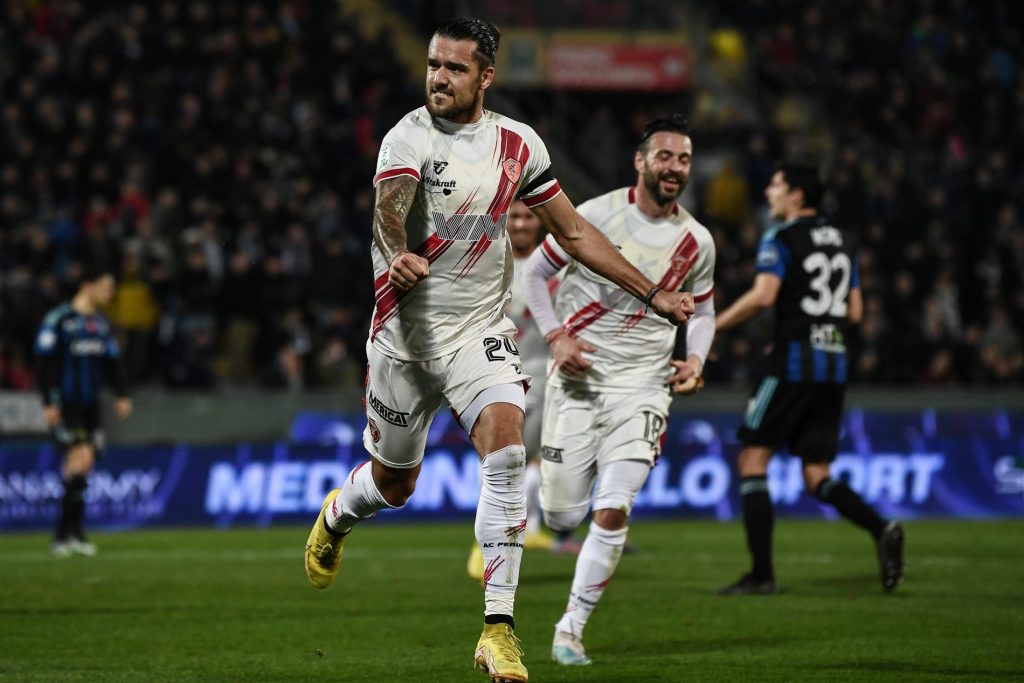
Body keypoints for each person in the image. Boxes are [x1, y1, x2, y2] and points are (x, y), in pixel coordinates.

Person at [301, 18, 695, 683]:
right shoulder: (407, 136)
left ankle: (498, 629)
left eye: (454, 68)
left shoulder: (518, 143)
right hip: (404, 338)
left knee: (508, 453)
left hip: (478, 333)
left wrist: (652, 292)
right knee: (395, 483)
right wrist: (396, 252)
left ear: (485, 76)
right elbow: (389, 210)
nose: (438, 78)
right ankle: (339, 514)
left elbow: (574, 231)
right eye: (433, 64)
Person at [520, 115, 716, 666]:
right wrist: (556, 337)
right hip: (579, 380)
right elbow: (534, 275)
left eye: (683, 159)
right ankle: (556, 520)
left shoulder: (697, 241)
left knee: (613, 509)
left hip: (645, 386)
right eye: (665, 156)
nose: (674, 167)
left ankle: (570, 629)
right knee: (562, 515)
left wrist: (695, 359)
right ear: (641, 160)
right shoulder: (594, 215)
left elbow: (703, 312)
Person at [714, 162, 905, 595]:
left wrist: (714, 327)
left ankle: (762, 575)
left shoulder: (781, 237)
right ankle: (881, 527)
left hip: (792, 363)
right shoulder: (845, 241)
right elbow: (854, 312)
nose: (769, 192)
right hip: (833, 364)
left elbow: (763, 297)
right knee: (816, 472)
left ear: (797, 195)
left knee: (753, 460)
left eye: (776, 185)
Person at [466, 200, 555, 582]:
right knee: (498, 457)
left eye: (527, 216)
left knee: (529, 459)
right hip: (498, 372)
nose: (519, 224)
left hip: (543, 376)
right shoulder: (488, 262)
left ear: (539, 221)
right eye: (513, 216)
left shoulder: (554, 266)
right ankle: (485, 546)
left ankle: (524, 531)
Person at [34, 266, 132, 557]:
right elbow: (43, 363)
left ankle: (69, 534)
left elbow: (112, 362)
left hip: (92, 406)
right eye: (106, 287)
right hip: (67, 403)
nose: (110, 293)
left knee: (80, 467)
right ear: (88, 286)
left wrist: (121, 394)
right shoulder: (59, 320)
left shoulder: (100, 324)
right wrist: (48, 402)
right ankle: (66, 535)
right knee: (80, 459)